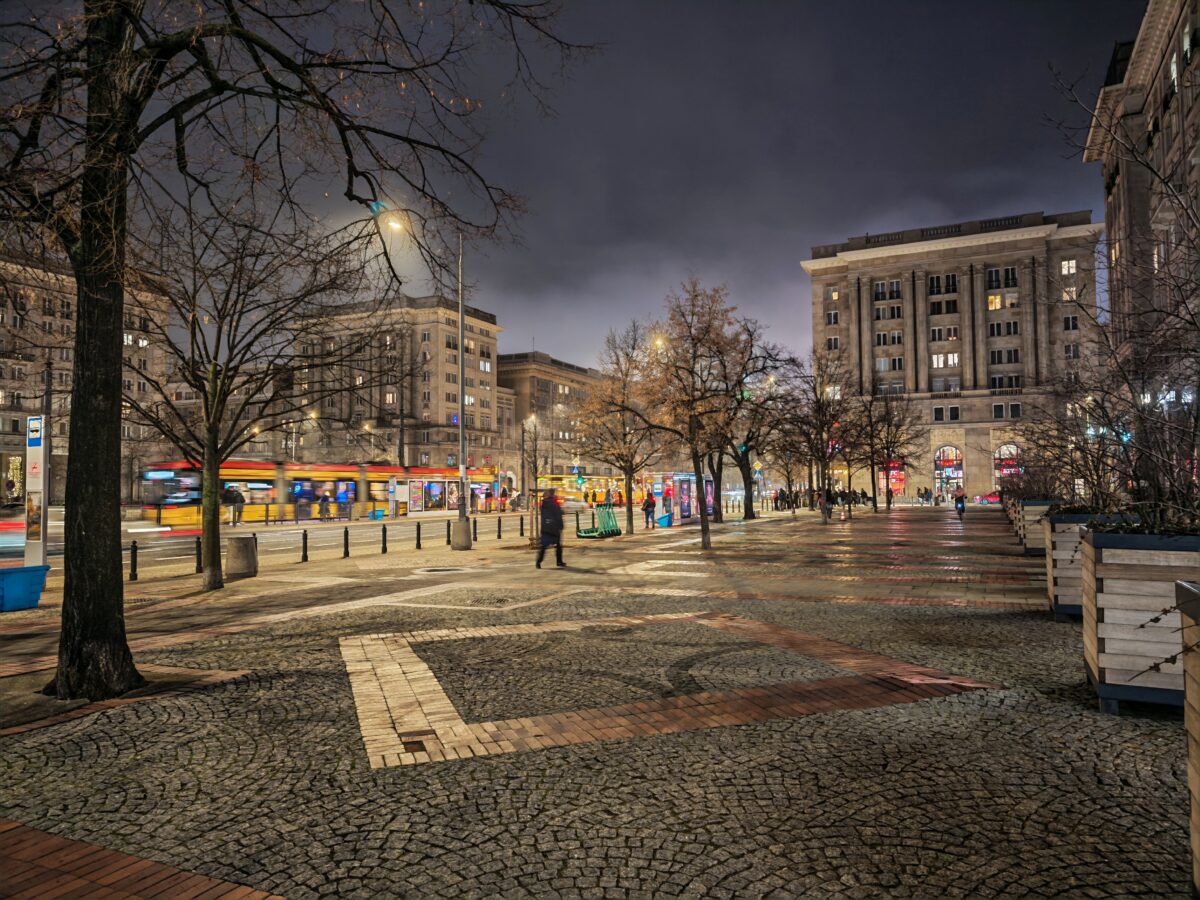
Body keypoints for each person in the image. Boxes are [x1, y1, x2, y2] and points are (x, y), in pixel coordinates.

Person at [537, 487, 566, 569]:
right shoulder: (554, 502)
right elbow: (558, 515)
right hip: (554, 527)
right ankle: (559, 561)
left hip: (545, 527)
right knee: (558, 545)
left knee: (544, 546)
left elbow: (543, 514)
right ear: (553, 494)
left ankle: (538, 562)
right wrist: (561, 525)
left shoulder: (544, 503)